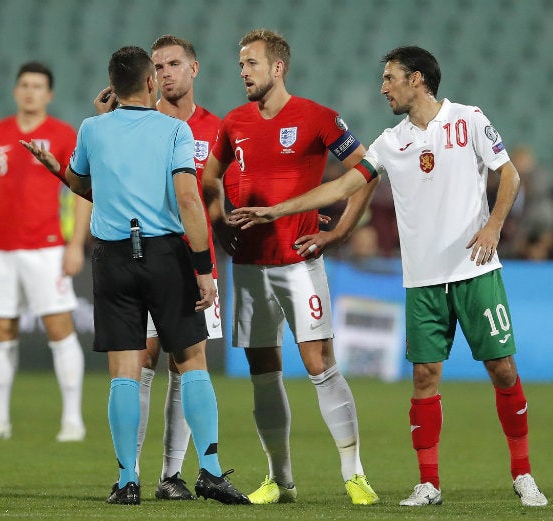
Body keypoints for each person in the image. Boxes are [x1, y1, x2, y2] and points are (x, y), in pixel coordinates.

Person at [232, 46, 549, 508]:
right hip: (422, 280)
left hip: (476, 270)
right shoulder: (389, 143)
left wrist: (493, 226)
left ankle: (523, 474)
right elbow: (343, 185)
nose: (383, 88)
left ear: (416, 79)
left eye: (389, 78)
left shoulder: (468, 119)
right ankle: (429, 483)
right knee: (424, 376)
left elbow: (510, 175)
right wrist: (278, 211)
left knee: (503, 370)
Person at [23, 46, 249, 506]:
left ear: (113, 85)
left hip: (112, 259)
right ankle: (207, 471)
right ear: (151, 83)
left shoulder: (92, 129)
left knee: (125, 371)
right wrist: (203, 269)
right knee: (191, 361)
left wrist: (58, 169)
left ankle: (127, 481)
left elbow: (86, 185)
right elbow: (188, 200)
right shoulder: (175, 130)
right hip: (166, 254)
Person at [201, 28, 379, 506]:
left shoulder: (317, 118)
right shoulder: (233, 122)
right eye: (240, 65)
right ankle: (280, 480)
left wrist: (336, 232)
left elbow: (365, 171)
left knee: (319, 363)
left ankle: (354, 474)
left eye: (251, 64)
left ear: (277, 67)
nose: (243, 72)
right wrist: (220, 226)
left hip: (299, 261)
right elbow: (210, 178)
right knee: (263, 368)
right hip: (250, 265)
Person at [93, 34, 237, 502]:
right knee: (151, 359)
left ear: (193, 69)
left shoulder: (220, 128)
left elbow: (221, 196)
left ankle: (168, 475)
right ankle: (142, 470)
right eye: (160, 65)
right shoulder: (155, 128)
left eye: (175, 63)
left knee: (180, 366)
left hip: (185, 259)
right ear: (151, 78)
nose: (168, 71)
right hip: (174, 261)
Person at [0, 61, 90, 443]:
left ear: (49, 94)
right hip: (1, 248)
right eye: (24, 85)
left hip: (47, 248)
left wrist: (75, 244)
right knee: (1, 329)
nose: (30, 91)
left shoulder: (63, 134)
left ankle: (72, 420)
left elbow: (81, 190)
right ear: (16, 91)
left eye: (37, 86)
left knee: (59, 328)